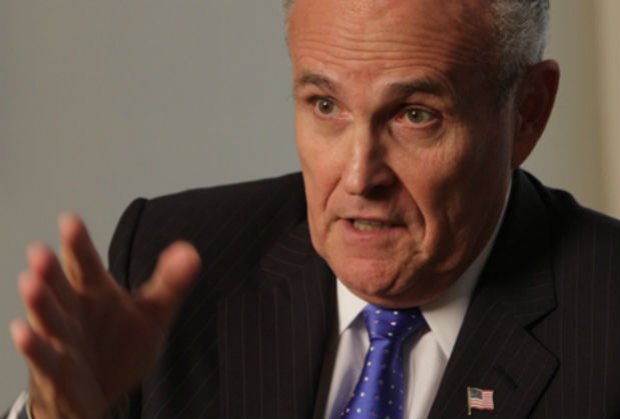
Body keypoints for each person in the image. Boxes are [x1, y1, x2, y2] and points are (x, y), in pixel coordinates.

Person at [5, 0, 620, 418]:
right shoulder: (167, 261)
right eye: (326, 105)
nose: (358, 177)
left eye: (415, 115)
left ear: (528, 112)